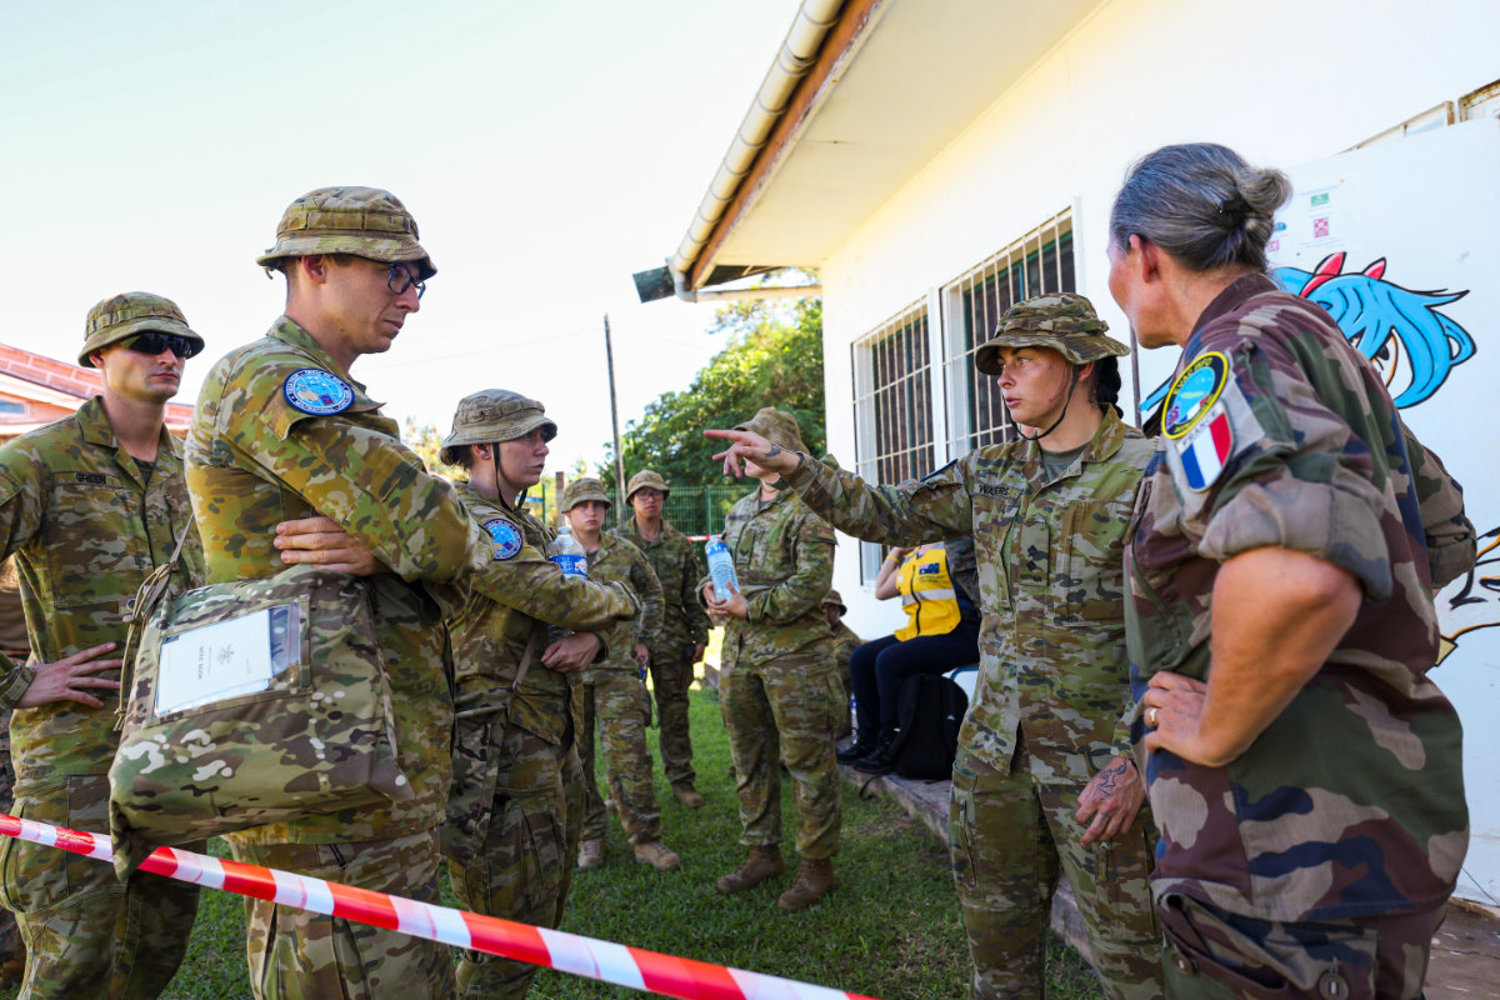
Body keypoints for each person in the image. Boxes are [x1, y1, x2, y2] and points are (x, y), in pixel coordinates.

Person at [186, 186, 636, 999]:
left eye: (419, 281)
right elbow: (440, 530)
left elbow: (430, 545)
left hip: (354, 754)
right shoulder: (272, 376)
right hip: (319, 766)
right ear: (316, 266)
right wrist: (407, 543)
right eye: (396, 274)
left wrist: (394, 549)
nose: (412, 300)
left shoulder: (324, 389)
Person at [706, 295, 1164, 999]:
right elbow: (887, 511)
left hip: (1100, 769)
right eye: (1000, 365)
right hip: (992, 760)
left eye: (1025, 361)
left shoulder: (1152, 473)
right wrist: (794, 465)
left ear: (1084, 365)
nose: (1005, 378)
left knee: (1138, 967)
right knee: (999, 959)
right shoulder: (990, 473)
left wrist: (1139, 761)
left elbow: (1197, 633)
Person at [1106, 143, 1474, 1000]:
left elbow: (1298, 571)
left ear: (1143, 255)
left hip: (1279, 843)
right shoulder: (1314, 339)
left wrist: (1217, 731)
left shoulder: (1233, 355)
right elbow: (1441, 532)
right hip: (1375, 819)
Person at [0, 292, 207, 998]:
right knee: (73, 955)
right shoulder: (39, 462)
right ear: (97, 356)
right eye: (148, 341)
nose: (168, 356)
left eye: (182, 346)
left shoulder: (198, 475)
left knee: (155, 947)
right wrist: (17, 682)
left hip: (179, 748)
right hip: (75, 752)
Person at [438, 390, 635, 999]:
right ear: (481, 449)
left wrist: (596, 643)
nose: (542, 447)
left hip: (547, 740)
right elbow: (562, 598)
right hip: (495, 754)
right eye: (527, 436)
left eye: (543, 435)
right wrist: (622, 606)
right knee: (503, 935)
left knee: (537, 919)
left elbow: (572, 614)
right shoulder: (471, 521)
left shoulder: (528, 524)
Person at [702, 407, 840, 913]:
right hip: (739, 653)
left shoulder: (812, 505)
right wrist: (710, 596)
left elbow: (812, 584)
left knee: (808, 763)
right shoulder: (739, 511)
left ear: (777, 447)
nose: (744, 448)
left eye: (754, 440)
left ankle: (816, 866)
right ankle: (763, 853)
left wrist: (750, 607)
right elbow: (724, 571)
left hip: (795, 658)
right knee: (749, 757)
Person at [563, 477, 681, 872]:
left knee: (629, 758)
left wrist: (643, 639)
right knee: (576, 761)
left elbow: (654, 595)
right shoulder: (554, 552)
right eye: (583, 506)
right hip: (570, 675)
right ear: (568, 513)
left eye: (598, 505)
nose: (592, 512)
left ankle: (646, 839)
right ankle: (589, 837)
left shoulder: (624, 551)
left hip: (617, 671)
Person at [838, 539, 981, 774]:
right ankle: (867, 739)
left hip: (960, 631)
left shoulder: (952, 546)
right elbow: (880, 591)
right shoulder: (913, 555)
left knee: (889, 661)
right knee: (861, 658)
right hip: (920, 632)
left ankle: (891, 742)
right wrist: (896, 551)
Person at [614, 469, 710, 808]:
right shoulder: (616, 542)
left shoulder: (679, 544)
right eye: (642, 494)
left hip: (672, 639)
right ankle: (625, 790)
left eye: (656, 493)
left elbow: (692, 593)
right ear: (631, 501)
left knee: (675, 716)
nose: (650, 499)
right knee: (626, 719)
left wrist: (701, 635)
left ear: (664, 499)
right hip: (627, 641)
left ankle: (682, 782)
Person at [819, 589, 862, 739]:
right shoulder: (817, 635)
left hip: (835, 719)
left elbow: (825, 678)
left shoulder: (847, 642)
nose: (825, 613)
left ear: (839, 612)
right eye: (821, 608)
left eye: (831, 608)